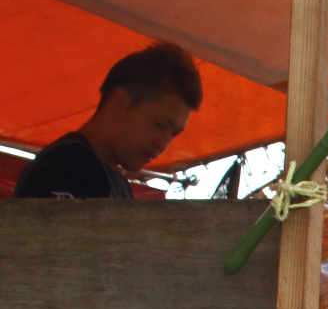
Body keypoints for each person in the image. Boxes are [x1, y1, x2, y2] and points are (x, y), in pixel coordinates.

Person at [13, 41, 201, 200]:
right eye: (159, 125)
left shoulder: (118, 182)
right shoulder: (68, 166)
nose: (163, 143)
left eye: (174, 134)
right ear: (119, 101)